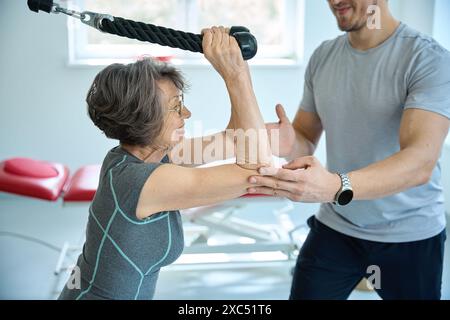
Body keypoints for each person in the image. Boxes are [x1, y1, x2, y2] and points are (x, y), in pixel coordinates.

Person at [248, 0, 450, 299]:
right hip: (337, 227)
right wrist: (289, 143)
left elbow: (419, 162)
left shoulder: (427, 59)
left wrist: (335, 185)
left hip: (408, 234)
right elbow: (304, 137)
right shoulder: (324, 56)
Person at [58, 27, 271, 300]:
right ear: (143, 117)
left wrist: (237, 65)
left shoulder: (139, 154)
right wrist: (235, 76)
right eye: (174, 106)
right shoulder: (138, 182)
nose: (187, 113)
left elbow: (233, 140)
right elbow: (256, 169)